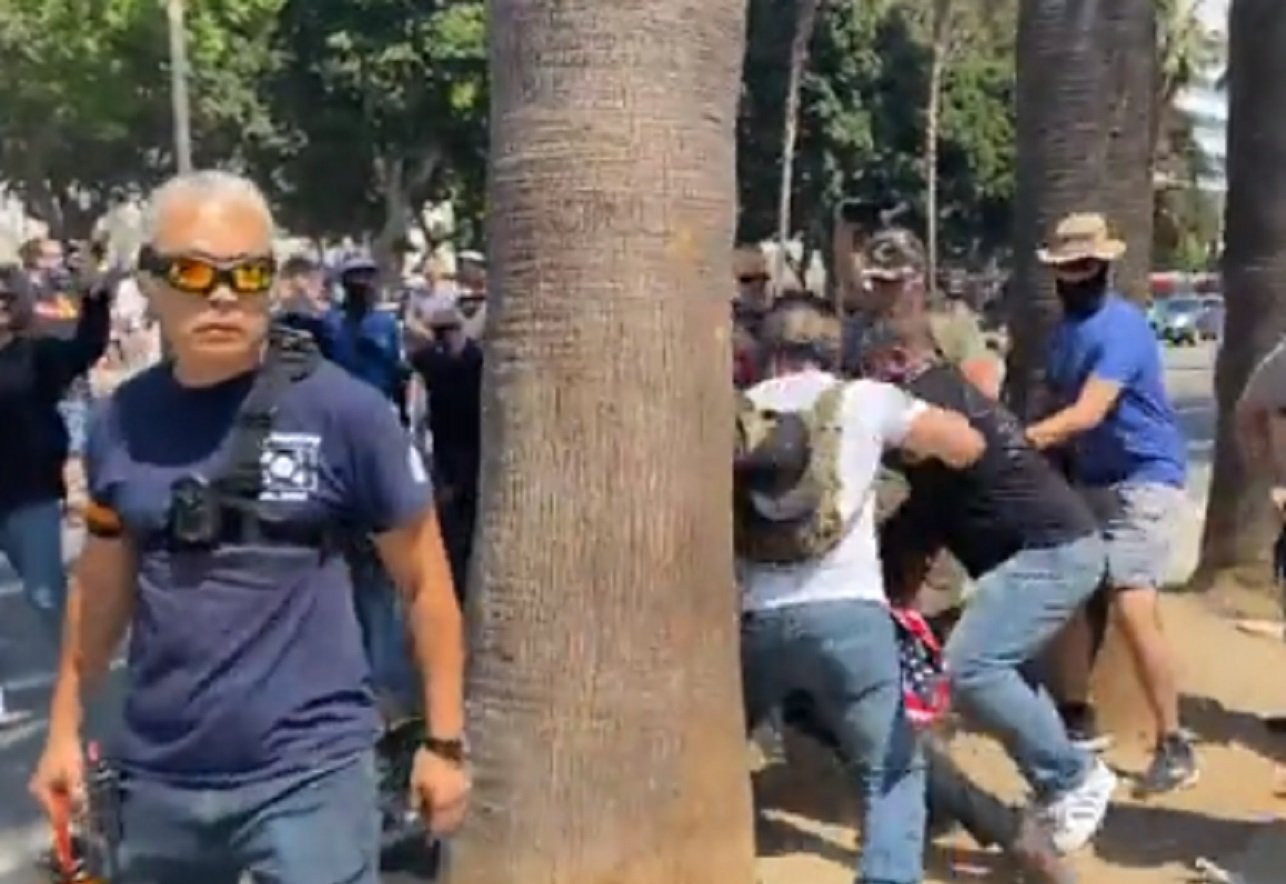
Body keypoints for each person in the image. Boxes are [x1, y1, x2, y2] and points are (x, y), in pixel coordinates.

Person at [28, 171, 469, 882]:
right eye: (195, 273)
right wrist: (61, 732)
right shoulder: (119, 422)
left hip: (311, 778)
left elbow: (424, 583)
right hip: (160, 783)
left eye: (249, 273)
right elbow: (100, 594)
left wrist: (444, 744)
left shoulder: (346, 415)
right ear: (153, 282)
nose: (224, 295)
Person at [736, 294, 986, 884]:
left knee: (719, 749)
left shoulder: (739, 408)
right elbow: (966, 445)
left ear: (769, 350)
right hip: (850, 616)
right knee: (891, 769)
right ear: (835, 348)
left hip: (754, 619)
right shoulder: (864, 399)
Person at [863, 311, 1116, 855]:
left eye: (869, 368)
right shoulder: (939, 398)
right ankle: (1057, 788)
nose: (865, 384)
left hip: (1050, 551)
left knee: (972, 667)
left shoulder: (927, 401)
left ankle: (1074, 778)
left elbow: (963, 456)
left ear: (899, 359)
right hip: (1052, 549)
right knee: (1007, 675)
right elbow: (926, 513)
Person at [1026, 212, 1196, 795]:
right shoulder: (1063, 336)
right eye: (1069, 267)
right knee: (1072, 592)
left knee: (1131, 602)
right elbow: (1051, 398)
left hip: (1145, 479)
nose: (1079, 276)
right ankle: (1075, 717)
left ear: (1104, 268)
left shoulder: (1122, 329)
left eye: (1087, 266)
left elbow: (1086, 413)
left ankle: (1174, 742)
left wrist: (1021, 441)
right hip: (1091, 480)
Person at [0, 264, 110, 729]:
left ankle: (79, 684)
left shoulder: (37, 355)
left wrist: (95, 301)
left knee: (47, 597)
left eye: (7, 298)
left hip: (31, 494)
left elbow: (86, 348)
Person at [410, 306, 482, 598]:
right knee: (452, 524)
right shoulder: (445, 360)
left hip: (470, 451)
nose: (445, 337)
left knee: (464, 520)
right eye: (440, 332)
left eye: (449, 330)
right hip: (448, 452)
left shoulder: (474, 360)